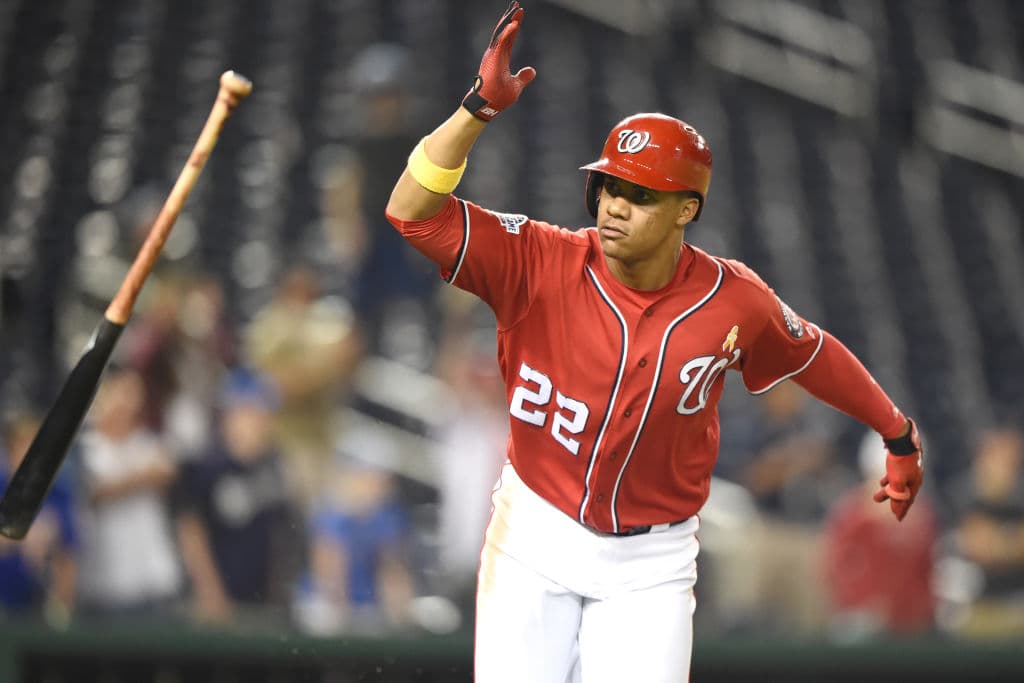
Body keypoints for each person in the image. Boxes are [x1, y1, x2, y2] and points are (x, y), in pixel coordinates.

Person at [382, 3, 925, 681]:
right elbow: (409, 211)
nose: (612, 203)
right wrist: (476, 110)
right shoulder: (540, 260)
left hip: (652, 563)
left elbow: (813, 353)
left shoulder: (733, 297)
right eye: (608, 184)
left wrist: (895, 432)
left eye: (638, 193)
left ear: (686, 209)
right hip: (533, 533)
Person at [173, 368, 299, 625]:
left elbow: (282, 532)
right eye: (252, 412)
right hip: (217, 601)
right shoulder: (207, 463)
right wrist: (210, 591)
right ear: (231, 414)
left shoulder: (274, 464)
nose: (262, 420)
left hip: (264, 600)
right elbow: (190, 531)